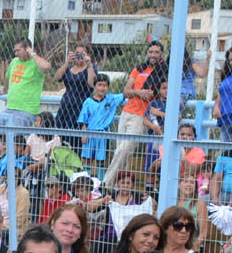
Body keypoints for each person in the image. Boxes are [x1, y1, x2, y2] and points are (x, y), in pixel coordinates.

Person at [108, 41, 166, 176]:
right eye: (151, 52)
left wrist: (152, 94)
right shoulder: (138, 69)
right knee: (121, 152)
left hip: (141, 115)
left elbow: (163, 92)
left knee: (124, 150)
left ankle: (106, 182)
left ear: (161, 54)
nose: (153, 55)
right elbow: (126, 91)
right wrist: (139, 92)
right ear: (147, 53)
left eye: (156, 52)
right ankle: (120, 185)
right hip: (127, 111)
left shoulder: (163, 72)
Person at [3, 35, 51, 139]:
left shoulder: (35, 63)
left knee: (12, 137)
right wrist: (5, 90)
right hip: (10, 107)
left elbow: (46, 66)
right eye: (15, 51)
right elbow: (8, 77)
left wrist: (32, 53)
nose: (16, 53)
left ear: (27, 49)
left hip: (26, 110)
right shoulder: (14, 61)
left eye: (18, 50)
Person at [54, 45, 96, 132]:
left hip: (82, 107)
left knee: (78, 135)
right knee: (61, 133)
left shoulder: (90, 68)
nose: (79, 56)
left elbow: (92, 83)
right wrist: (67, 62)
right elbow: (56, 78)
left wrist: (89, 64)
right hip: (66, 106)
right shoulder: (68, 68)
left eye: (82, 54)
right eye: (77, 53)